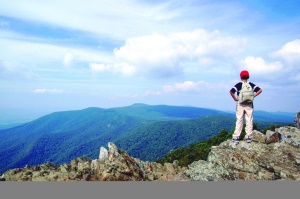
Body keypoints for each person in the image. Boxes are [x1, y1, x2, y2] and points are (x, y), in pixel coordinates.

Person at [230, 70, 262, 143]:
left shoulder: (239, 84)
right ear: (248, 76)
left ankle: (236, 137)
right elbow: (260, 90)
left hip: (240, 104)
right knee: (249, 119)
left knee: (239, 120)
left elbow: (231, 91)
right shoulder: (250, 84)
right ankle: (248, 137)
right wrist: (253, 96)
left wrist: (235, 98)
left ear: (240, 77)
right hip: (249, 104)